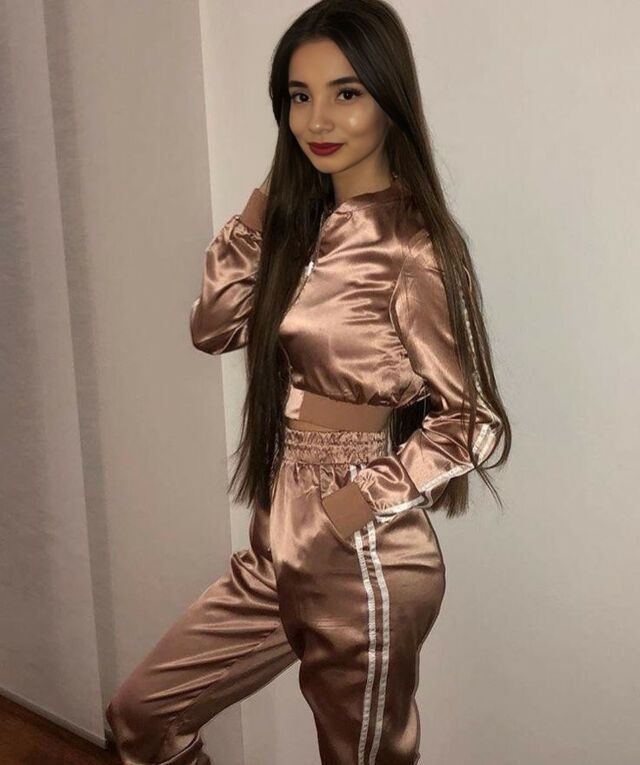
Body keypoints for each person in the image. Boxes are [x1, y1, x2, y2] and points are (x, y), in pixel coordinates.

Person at [105, 1, 511, 763]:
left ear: (388, 98)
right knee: (140, 715)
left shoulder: (411, 245)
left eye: (346, 92)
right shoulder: (303, 229)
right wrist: (267, 203)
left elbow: (473, 420)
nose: (317, 119)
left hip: (361, 553)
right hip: (279, 537)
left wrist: (350, 507)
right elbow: (213, 326)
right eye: (300, 95)